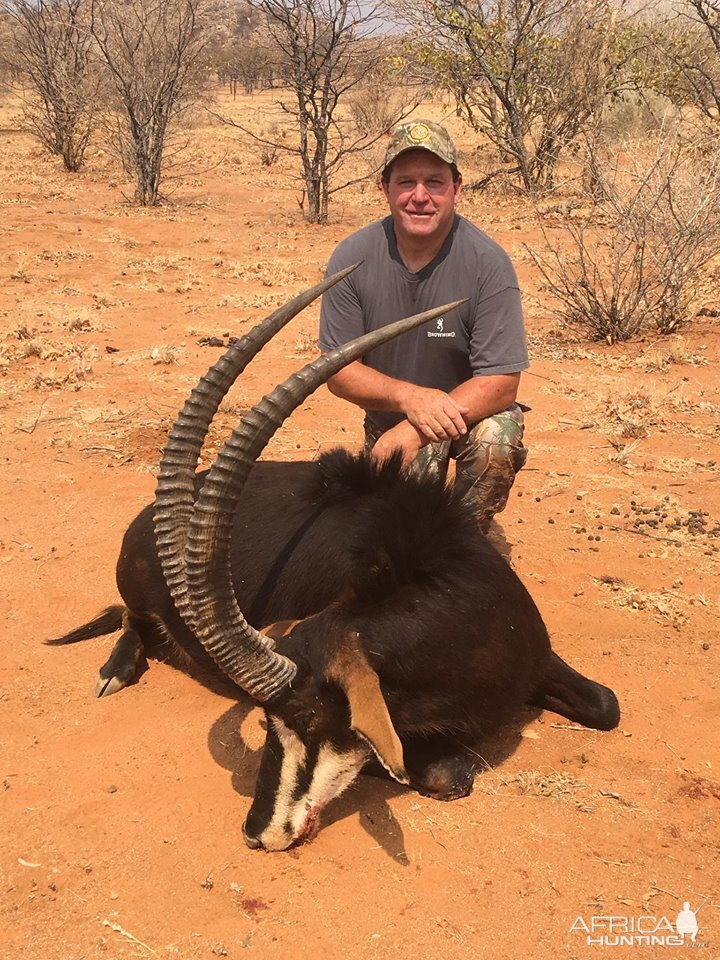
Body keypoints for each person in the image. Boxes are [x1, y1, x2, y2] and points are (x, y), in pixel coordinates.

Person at [318, 119, 529, 528]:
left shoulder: (489, 263)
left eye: (434, 182)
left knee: (495, 440)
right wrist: (409, 400)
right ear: (385, 189)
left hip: (468, 417)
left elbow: (503, 381)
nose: (420, 197)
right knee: (400, 524)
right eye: (405, 182)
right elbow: (338, 372)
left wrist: (418, 428)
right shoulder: (352, 256)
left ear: (457, 188)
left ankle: (469, 543)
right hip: (391, 418)